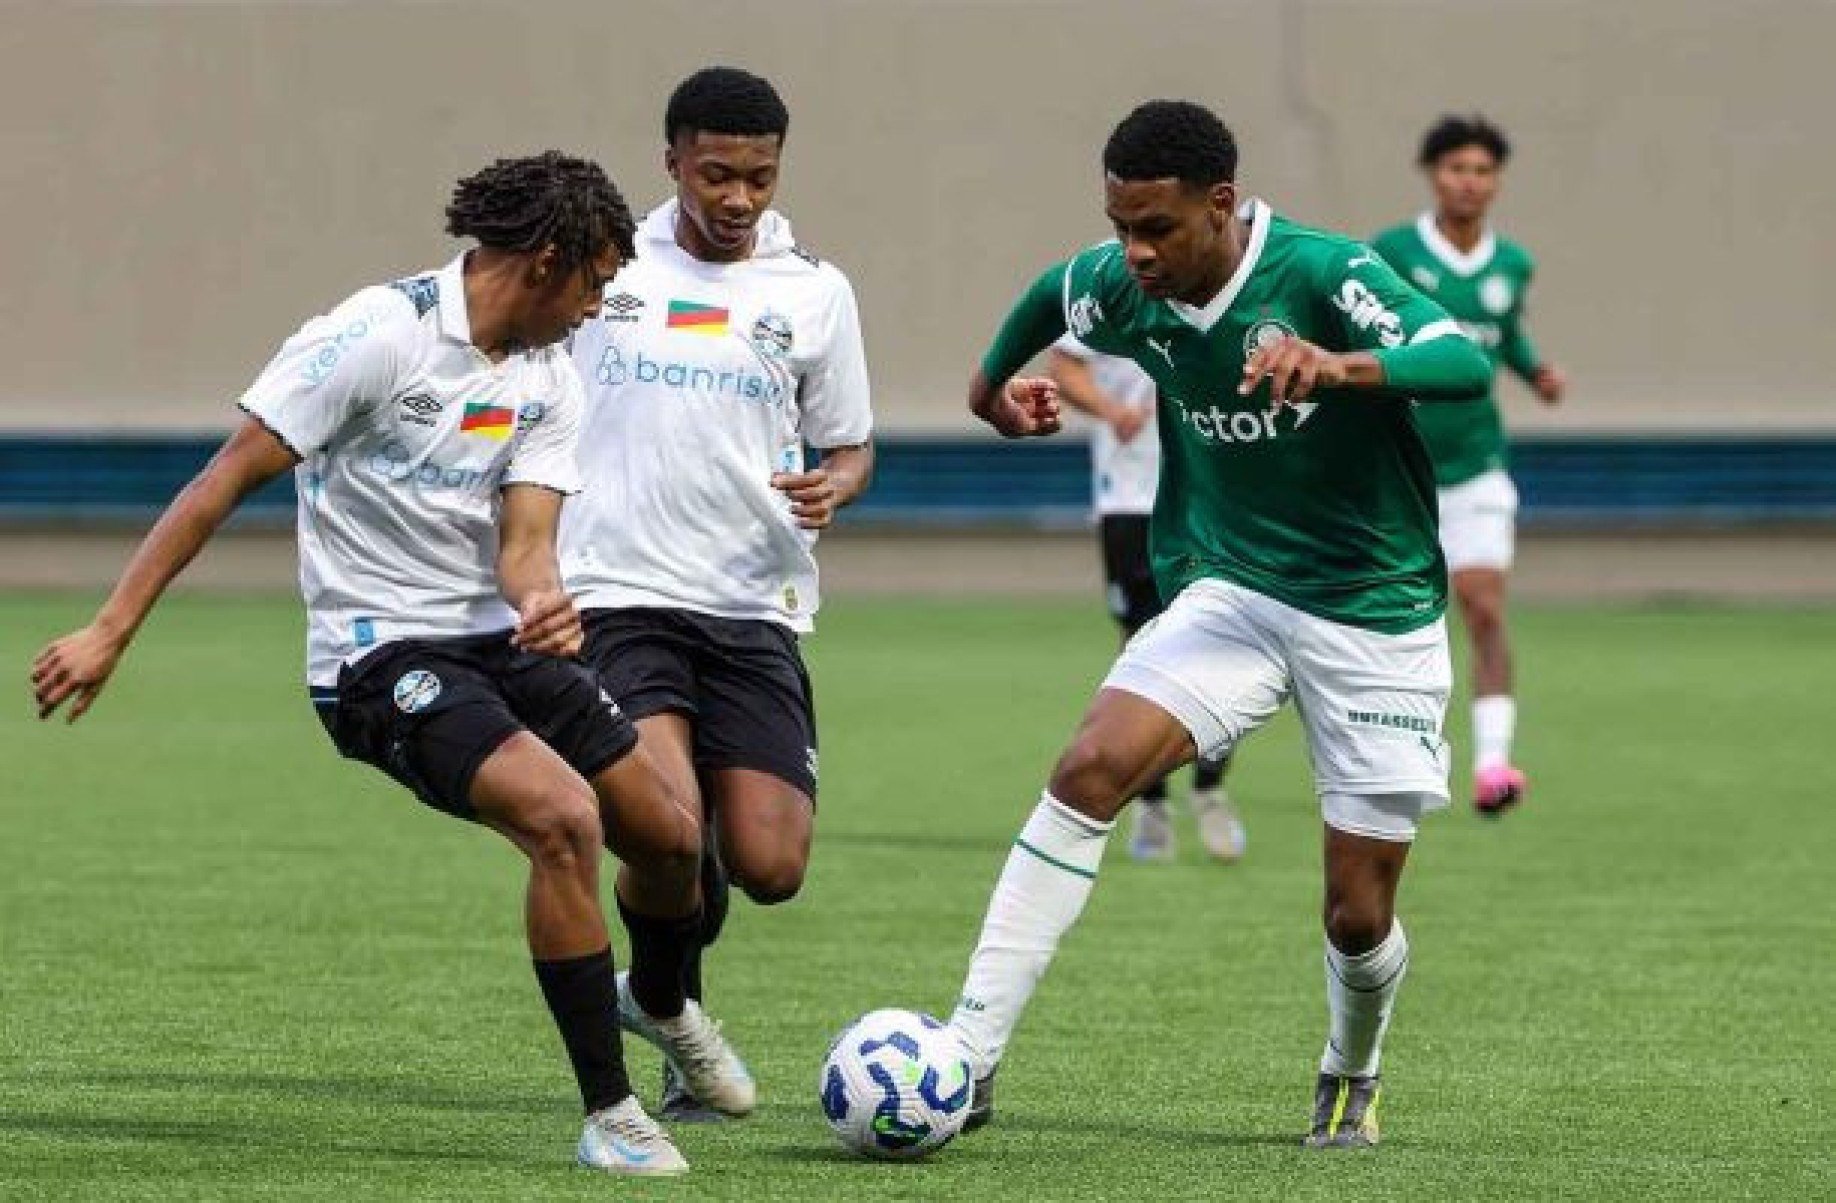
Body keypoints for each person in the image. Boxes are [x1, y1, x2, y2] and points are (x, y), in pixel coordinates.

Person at [28, 152, 749, 1176]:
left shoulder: (549, 377)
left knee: (670, 839)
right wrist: (110, 628)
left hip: (493, 643)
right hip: (377, 658)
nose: (600, 308)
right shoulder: (373, 338)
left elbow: (526, 541)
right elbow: (222, 481)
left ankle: (664, 1006)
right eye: (594, 283)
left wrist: (541, 595)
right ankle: (611, 1113)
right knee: (563, 820)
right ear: (546, 264)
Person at [942, 101, 1492, 1149]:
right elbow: (1044, 297)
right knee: (1089, 768)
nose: (1135, 253)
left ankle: (1351, 1066)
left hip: (1373, 613)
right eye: (1120, 227)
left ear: (1223, 205)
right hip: (1232, 590)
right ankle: (966, 1056)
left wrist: (1340, 368)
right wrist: (987, 394)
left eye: (1158, 228)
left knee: (1356, 918)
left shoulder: (1324, 276)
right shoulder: (1119, 284)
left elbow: (1458, 358)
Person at [563, 67, 874, 1120]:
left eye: (758, 176)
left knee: (770, 865)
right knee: (665, 837)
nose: (737, 197)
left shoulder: (815, 290)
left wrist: (835, 483)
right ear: (672, 162)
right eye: (715, 174)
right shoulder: (608, 266)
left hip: (753, 606)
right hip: (617, 594)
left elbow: (851, 445)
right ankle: (674, 1014)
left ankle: (650, 979)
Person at [1371, 114, 1567, 815]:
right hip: (1398, 471)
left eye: (1483, 170)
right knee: (1398, 619)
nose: (1470, 182)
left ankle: (1493, 764)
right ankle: (1404, 753)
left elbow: (1504, 331)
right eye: (1457, 168)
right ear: (1432, 175)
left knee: (1482, 605)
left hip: (1478, 463)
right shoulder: (1391, 253)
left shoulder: (1511, 263)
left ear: (1497, 181)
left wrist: (1535, 370)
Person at [1046, 337, 1244, 863]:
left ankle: (1209, 786)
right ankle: (1151, 804)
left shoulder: (1223, 278)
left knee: (1230, 639)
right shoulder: (1106, 281)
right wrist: (1111, 409)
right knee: (1140, 646)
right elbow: (1064, 365)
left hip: (1215, 496)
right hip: (1131, 497)